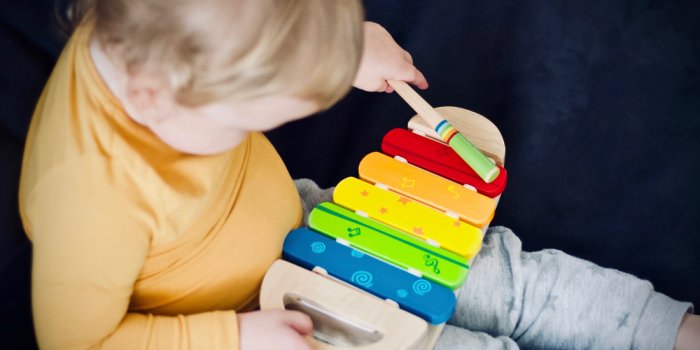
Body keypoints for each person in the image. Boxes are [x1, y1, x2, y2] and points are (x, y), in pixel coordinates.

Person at [18, 0, 697, 349]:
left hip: (312, 224)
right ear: (153, 99)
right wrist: (230, 338)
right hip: (268, 318)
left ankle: (666, 331)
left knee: (515, 279)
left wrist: (334, 48)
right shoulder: (89, 199)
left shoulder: (172, 33)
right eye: (256, 119)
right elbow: (78, 343)